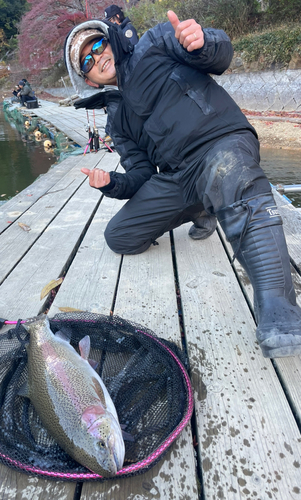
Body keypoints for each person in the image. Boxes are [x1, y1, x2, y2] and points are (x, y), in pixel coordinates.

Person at [64, 12, 301, 359]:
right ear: (88, 80)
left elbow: (220, 55)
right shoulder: (116, 117)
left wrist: (203, 41)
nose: (97, 56)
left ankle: (280, 312)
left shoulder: (156, 42)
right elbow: (141, 172)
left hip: (221, 139)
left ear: (111, 39)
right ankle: (203, 207)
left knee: (231, 176)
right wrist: (111, 183)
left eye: (98, 44)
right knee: (119, 236)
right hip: (180, 174)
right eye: (87, 59)